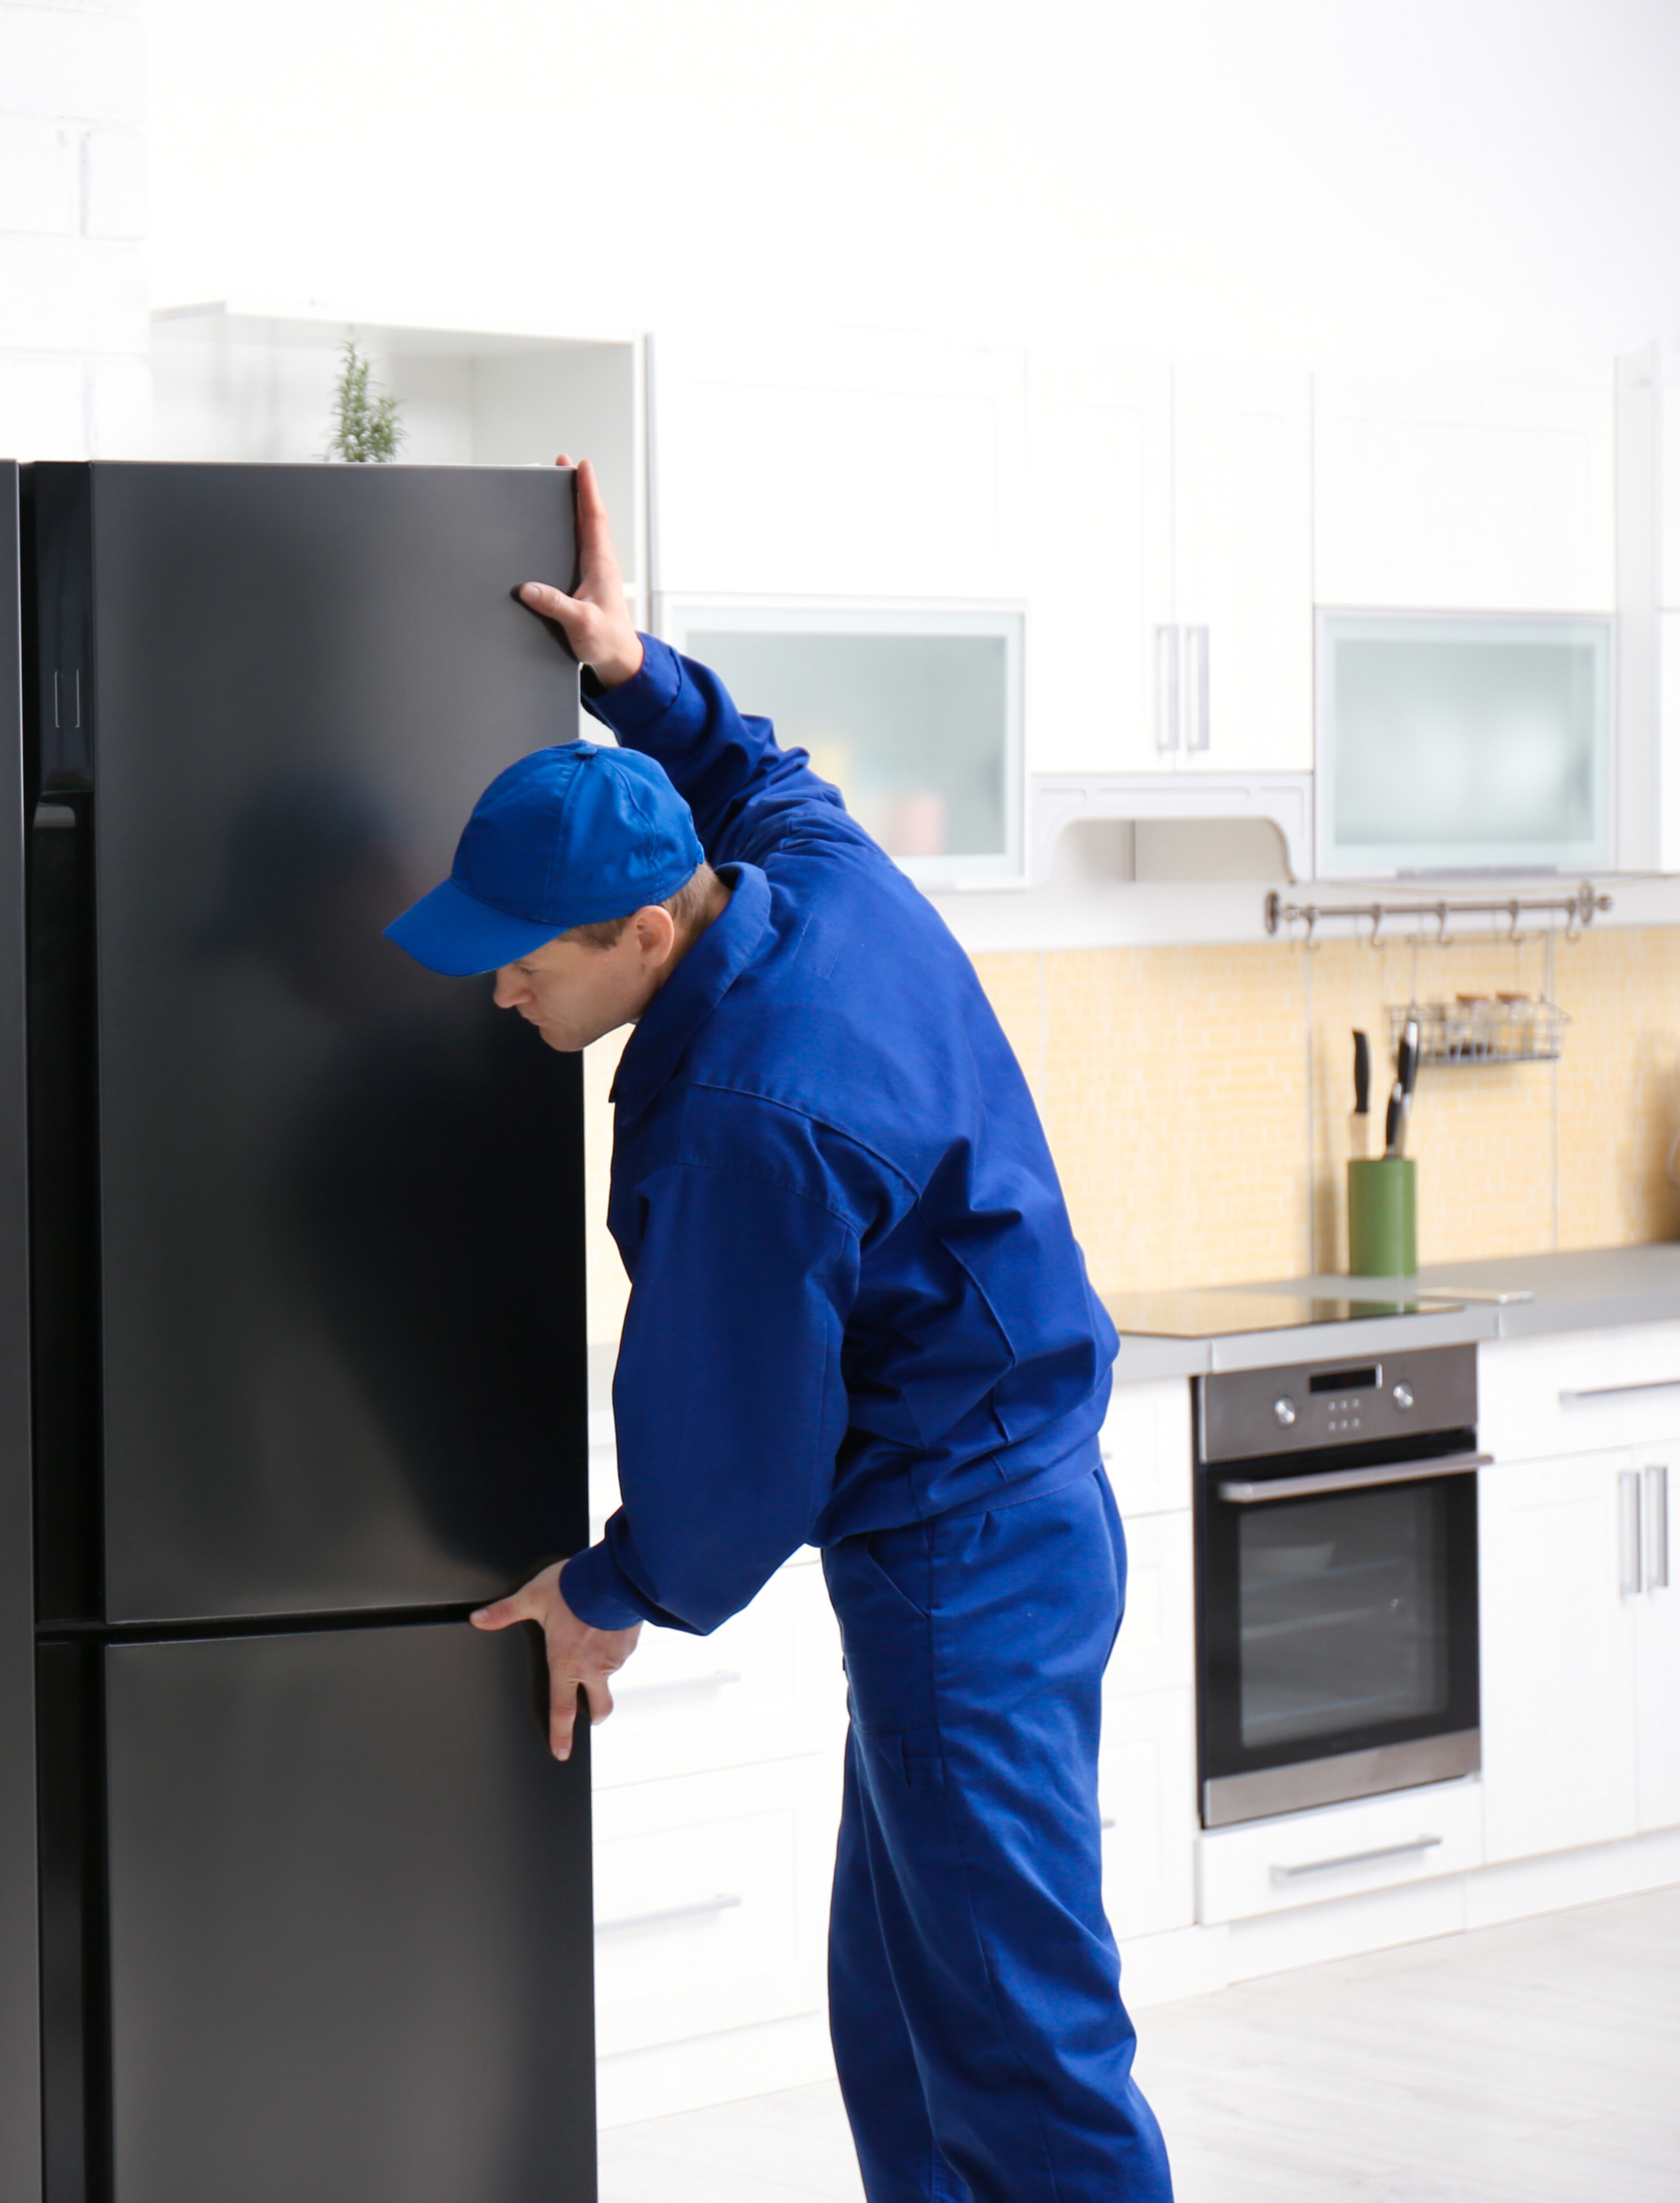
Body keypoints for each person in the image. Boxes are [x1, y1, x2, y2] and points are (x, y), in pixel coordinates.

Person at [424, 461, 1173, 2202]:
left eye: (523, 960)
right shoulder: (800, 878)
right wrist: (633, 674)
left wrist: (612, 1592)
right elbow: (763, 773)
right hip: (1012, 1511)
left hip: (959, 1554)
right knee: (910, 2014)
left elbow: (741, 1451)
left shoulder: (752, 1121)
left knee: (1013, 2030)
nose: (499, 988)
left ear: (634, 929)